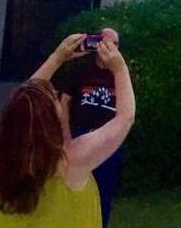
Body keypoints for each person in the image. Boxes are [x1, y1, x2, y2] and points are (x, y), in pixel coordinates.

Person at [0, 33, 135, 227]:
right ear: (52, 119)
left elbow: (23, 102)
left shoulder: (5, 156)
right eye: (53, 96)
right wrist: (120, 68)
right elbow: (125, 118)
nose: (57, 94)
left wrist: (57, 58)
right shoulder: (71, 160)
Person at [56, 28, 125, 228]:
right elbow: (64, 102)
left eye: (114, 44)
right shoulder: (81, 69)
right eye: (104, 42)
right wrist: (66, 135)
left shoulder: (120, 73)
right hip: (80, 133)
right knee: (75, 186)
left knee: (103, 190)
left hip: (108, 140)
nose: (108, 48)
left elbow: (126, 111)